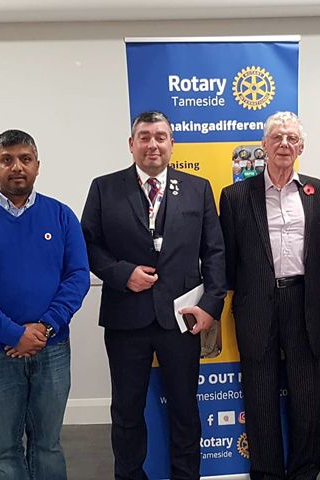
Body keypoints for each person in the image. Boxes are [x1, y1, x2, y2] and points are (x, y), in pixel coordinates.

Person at [81, 111, 226, 480]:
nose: (152, 144)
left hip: (182, 319)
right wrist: (121, 273)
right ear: (131, 145)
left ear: (172, 144)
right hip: (125, 318)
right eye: (144, 137)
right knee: (127, 411)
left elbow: (215, 252)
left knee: (184, 408)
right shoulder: (104, 188)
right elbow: (88, 245)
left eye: (160, 136)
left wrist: (210, 305)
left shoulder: (198, 188)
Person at [0, 129, 90, 479]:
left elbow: (78, 276)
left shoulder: (61, 216)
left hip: (52, 348)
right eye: (7, 160)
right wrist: (12, 334)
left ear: (38, 166)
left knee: (48, 444)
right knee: (4, 447)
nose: (17, 167)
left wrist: (44, 327)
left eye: (25, 159)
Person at [219, 111, 320, 480]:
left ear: (301, 147)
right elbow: (229, 257)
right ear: (264, 146)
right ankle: (266, 472)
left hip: (304, 302)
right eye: (277, 138)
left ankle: (304, 471)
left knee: (306, 396)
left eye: (292, 139)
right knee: (260, 396)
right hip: (256, 306)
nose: (285, 144)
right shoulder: (236, 196)